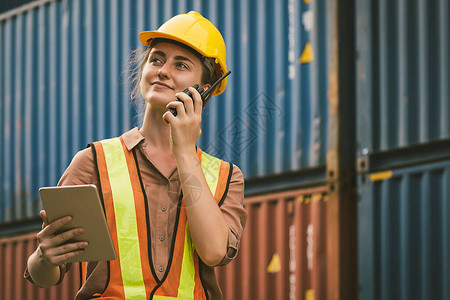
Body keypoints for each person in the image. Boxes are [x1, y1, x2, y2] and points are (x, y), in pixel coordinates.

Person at [25, 11, 247, 300]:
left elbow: (215, 251)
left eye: (180, 64)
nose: (163, 70)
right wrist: (45, 257)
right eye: (156, 59)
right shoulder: (93, 161)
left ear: (205, 90)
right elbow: (45, 276)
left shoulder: (226, 177)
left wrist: (184, 151)